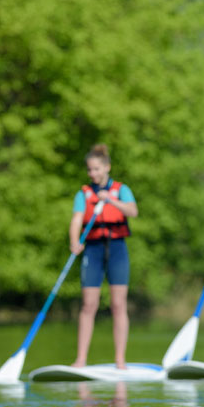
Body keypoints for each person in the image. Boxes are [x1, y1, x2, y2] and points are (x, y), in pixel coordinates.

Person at [69, 144, 138, 370]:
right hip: (93, 249)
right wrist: (74, 240)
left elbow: (132, 211)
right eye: (90, 170)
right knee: (89, 305)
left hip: (117, 248)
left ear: (107, 167)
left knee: (118, 304)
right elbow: (77, 220)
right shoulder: (84, 194)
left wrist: (110, 200)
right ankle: (81, 359)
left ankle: (120, 359)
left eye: (97, 169)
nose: (93, 174)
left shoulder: (121, 189)